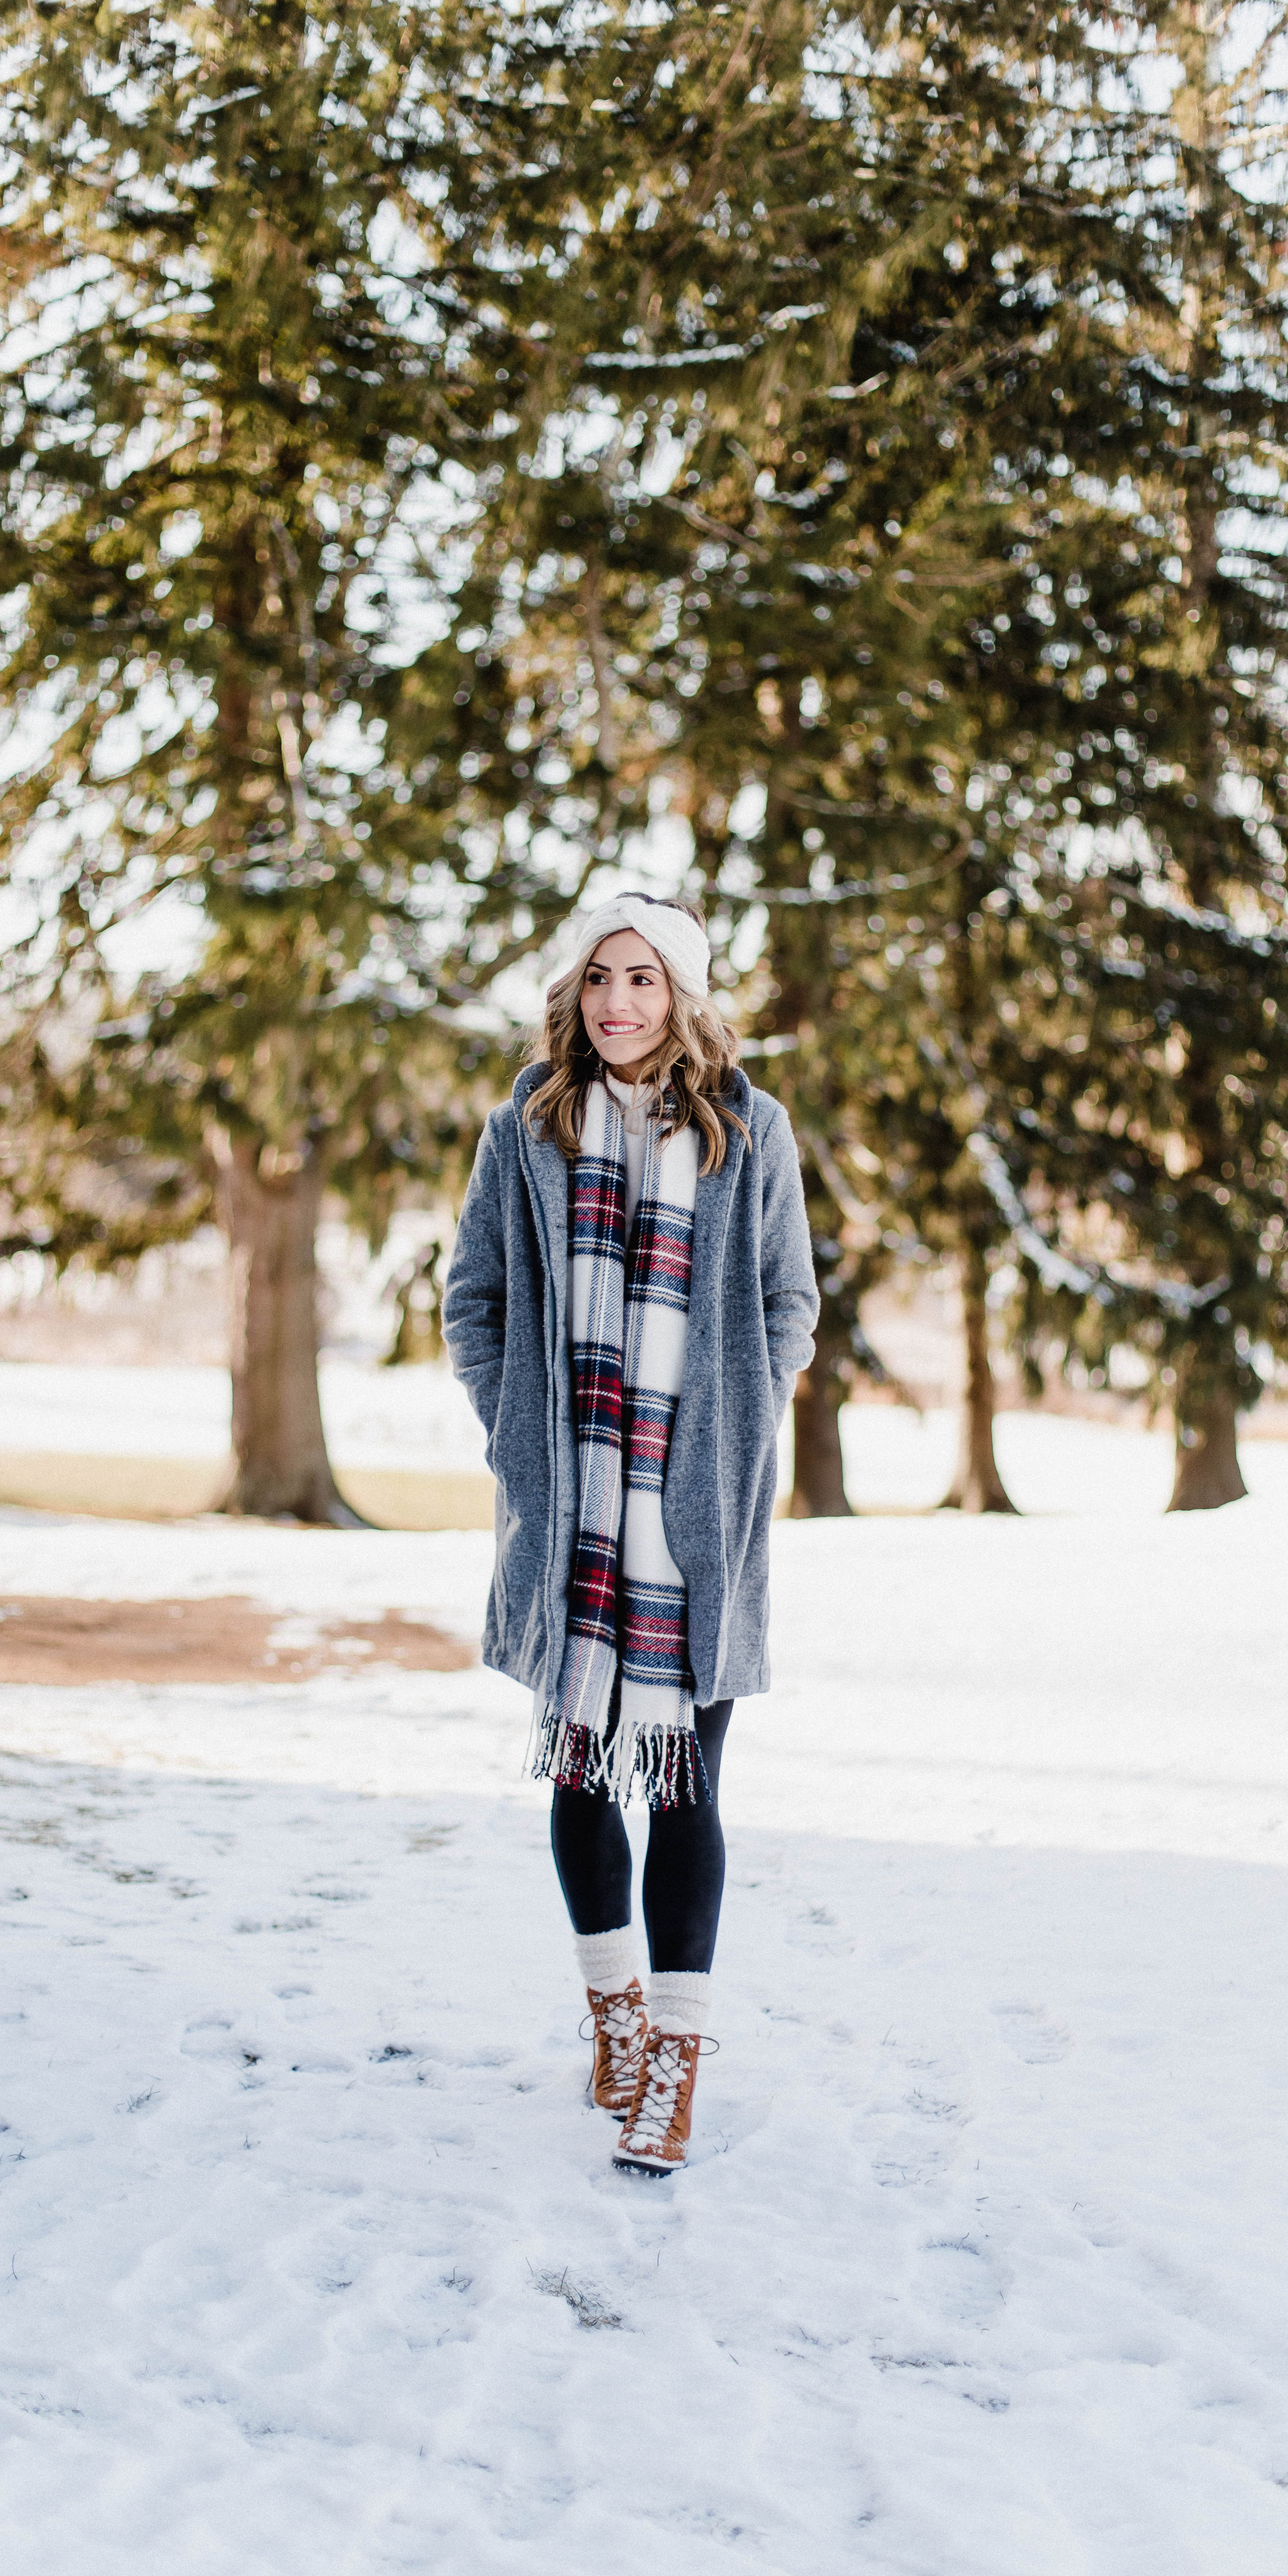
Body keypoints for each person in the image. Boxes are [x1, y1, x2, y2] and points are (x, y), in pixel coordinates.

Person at [442, 892, 818, 2174]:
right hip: (570, 1516)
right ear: (575, 990)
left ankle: (673, 2063)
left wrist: (740, 1431)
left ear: (685, 995)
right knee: (576, 1773)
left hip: (693, 1524)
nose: (618, 1003)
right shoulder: (528, 1128)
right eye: (601, 977)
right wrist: (521, 1442)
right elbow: (473, 1299)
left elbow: (790, 1301)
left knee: (688, 1787)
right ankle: (609, 2021)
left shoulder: (750, 1133)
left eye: (644, 980)